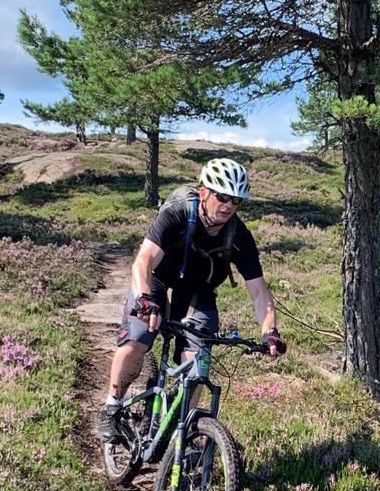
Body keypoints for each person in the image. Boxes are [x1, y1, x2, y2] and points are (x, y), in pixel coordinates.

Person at [98, 156, 285, 442]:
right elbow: (143, 263)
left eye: (235, 201)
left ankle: (177, 427)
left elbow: (260, 292)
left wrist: (269, 331)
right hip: (157, 283)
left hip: (198, 292)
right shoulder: (177, 213)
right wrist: (145, 299)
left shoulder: (239, 236)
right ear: (203, 193)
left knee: (198, 367)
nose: (228, 206)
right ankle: (112, 407)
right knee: (137, 338)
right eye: (222, 197)